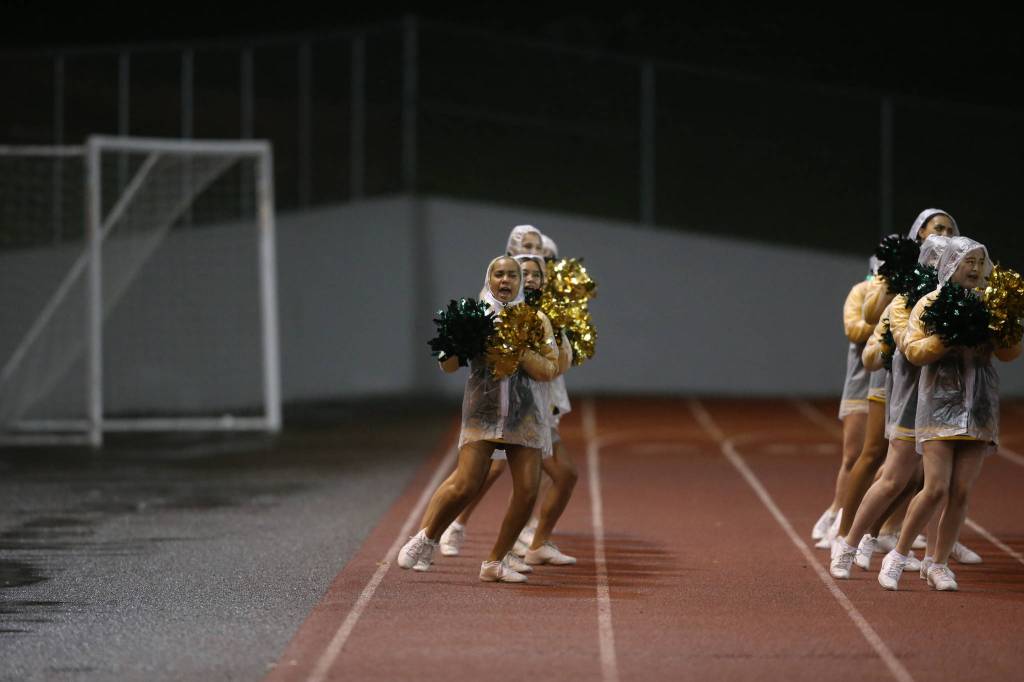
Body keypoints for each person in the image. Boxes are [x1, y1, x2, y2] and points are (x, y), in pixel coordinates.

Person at [398, 256, 561, 582]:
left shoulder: (536, 319)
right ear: (489, 278)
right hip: (482, 413)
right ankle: (426, 538)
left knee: (528, 490)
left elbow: (550, 368)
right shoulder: (475, 315)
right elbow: (447, 366)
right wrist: (452, 342)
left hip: (525, 417)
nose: (505, 280)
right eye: (498, 274)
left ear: (519, 282)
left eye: (511, 275)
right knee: (466, 483)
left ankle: (493, 563)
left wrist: (519, 349)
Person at [876, 236, 1021, 591]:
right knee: (935, 488)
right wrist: (947, 336)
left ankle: (937, 563)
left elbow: (1009, 353)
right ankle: (897, 554)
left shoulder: (990, 303)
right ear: (951, 265)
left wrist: (1005, 327)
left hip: (980, 405)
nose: (974, 268)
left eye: (978, 262)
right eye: (967, 261)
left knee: (961, 491)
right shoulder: (930, 302)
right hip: (939, 403)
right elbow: (912, 351)